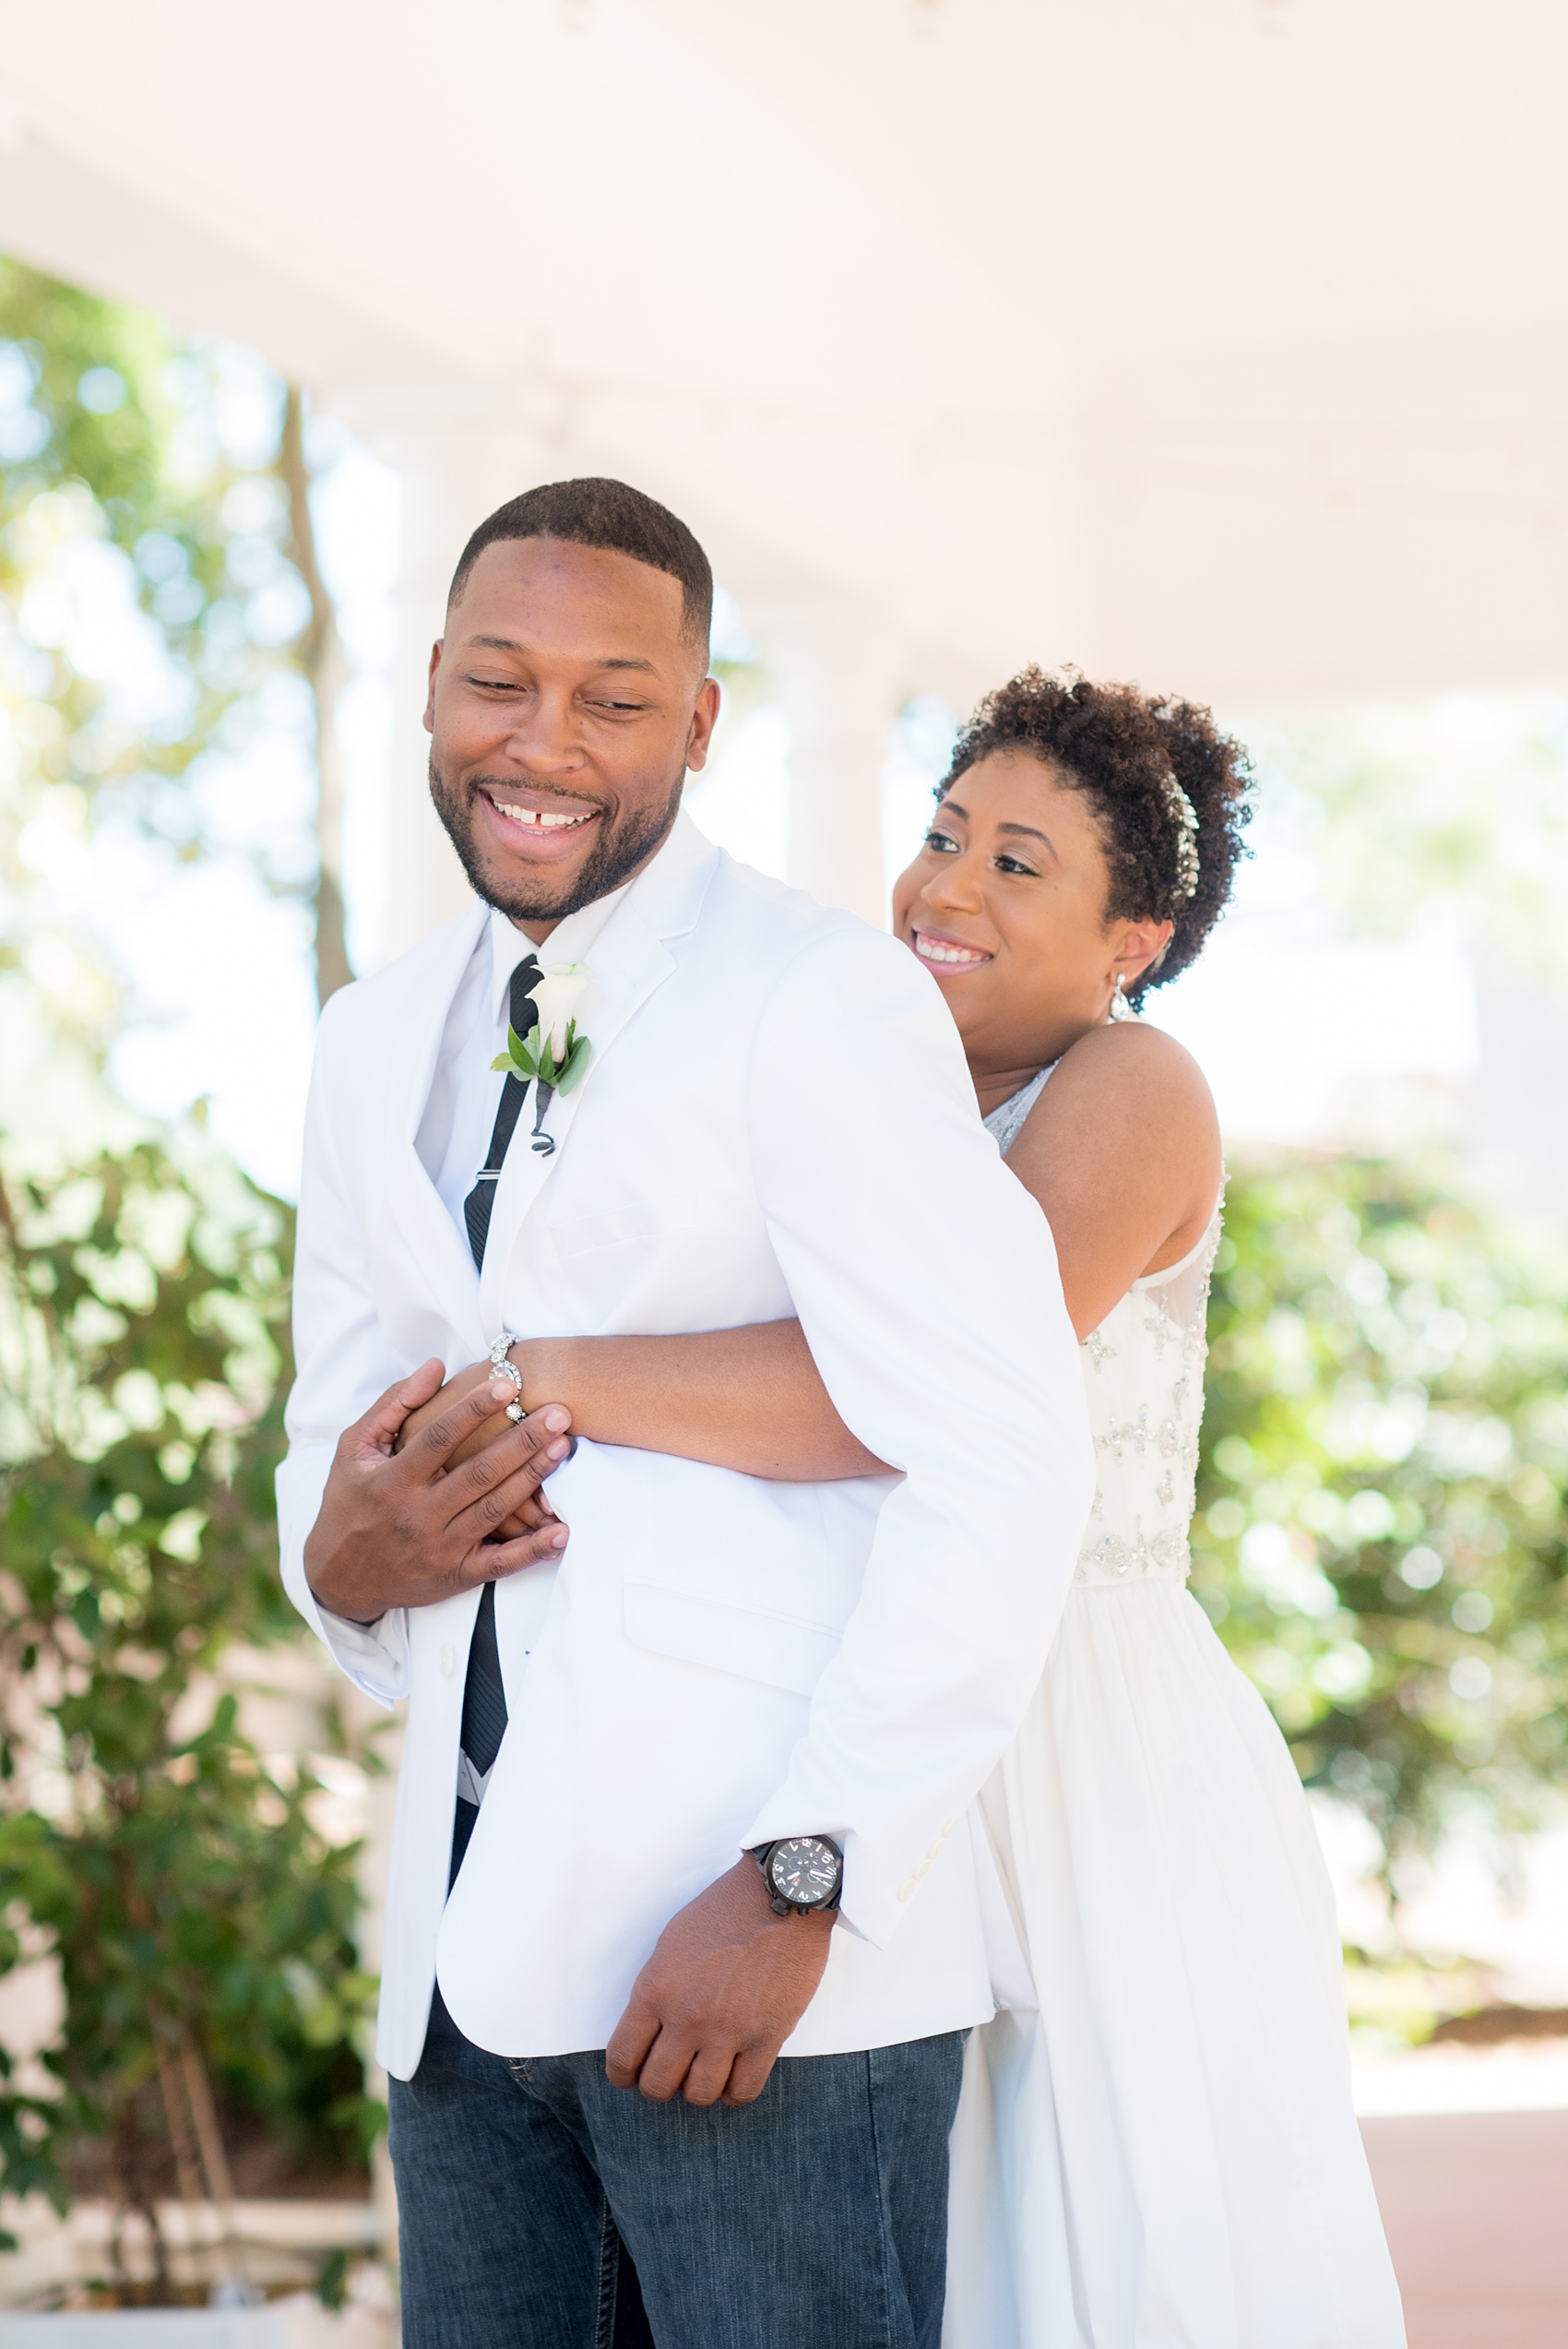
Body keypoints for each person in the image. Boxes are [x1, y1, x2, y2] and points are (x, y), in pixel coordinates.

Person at [420, 669, 1408, 2346]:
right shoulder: (859, 1084)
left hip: (1065, 1744)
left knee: (1082, 2232)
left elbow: (898, 1406)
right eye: (944, 834)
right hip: (852, 1694)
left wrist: (542, 1368)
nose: (943, 886)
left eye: (1019, 864)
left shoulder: (1132, 1086)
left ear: (1135, 940)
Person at [276, 481, 1095, 2349]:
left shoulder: (819, 997)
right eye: (500, 682)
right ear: (426, 691)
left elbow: (1004, 1445)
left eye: (613, 700)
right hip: (461, 1976)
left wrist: (806, 1874)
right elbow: (336, 1435)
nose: (542, 743)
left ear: (702, 723)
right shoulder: (367, 1036)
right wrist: (339, 1560)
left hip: (748, 1970)